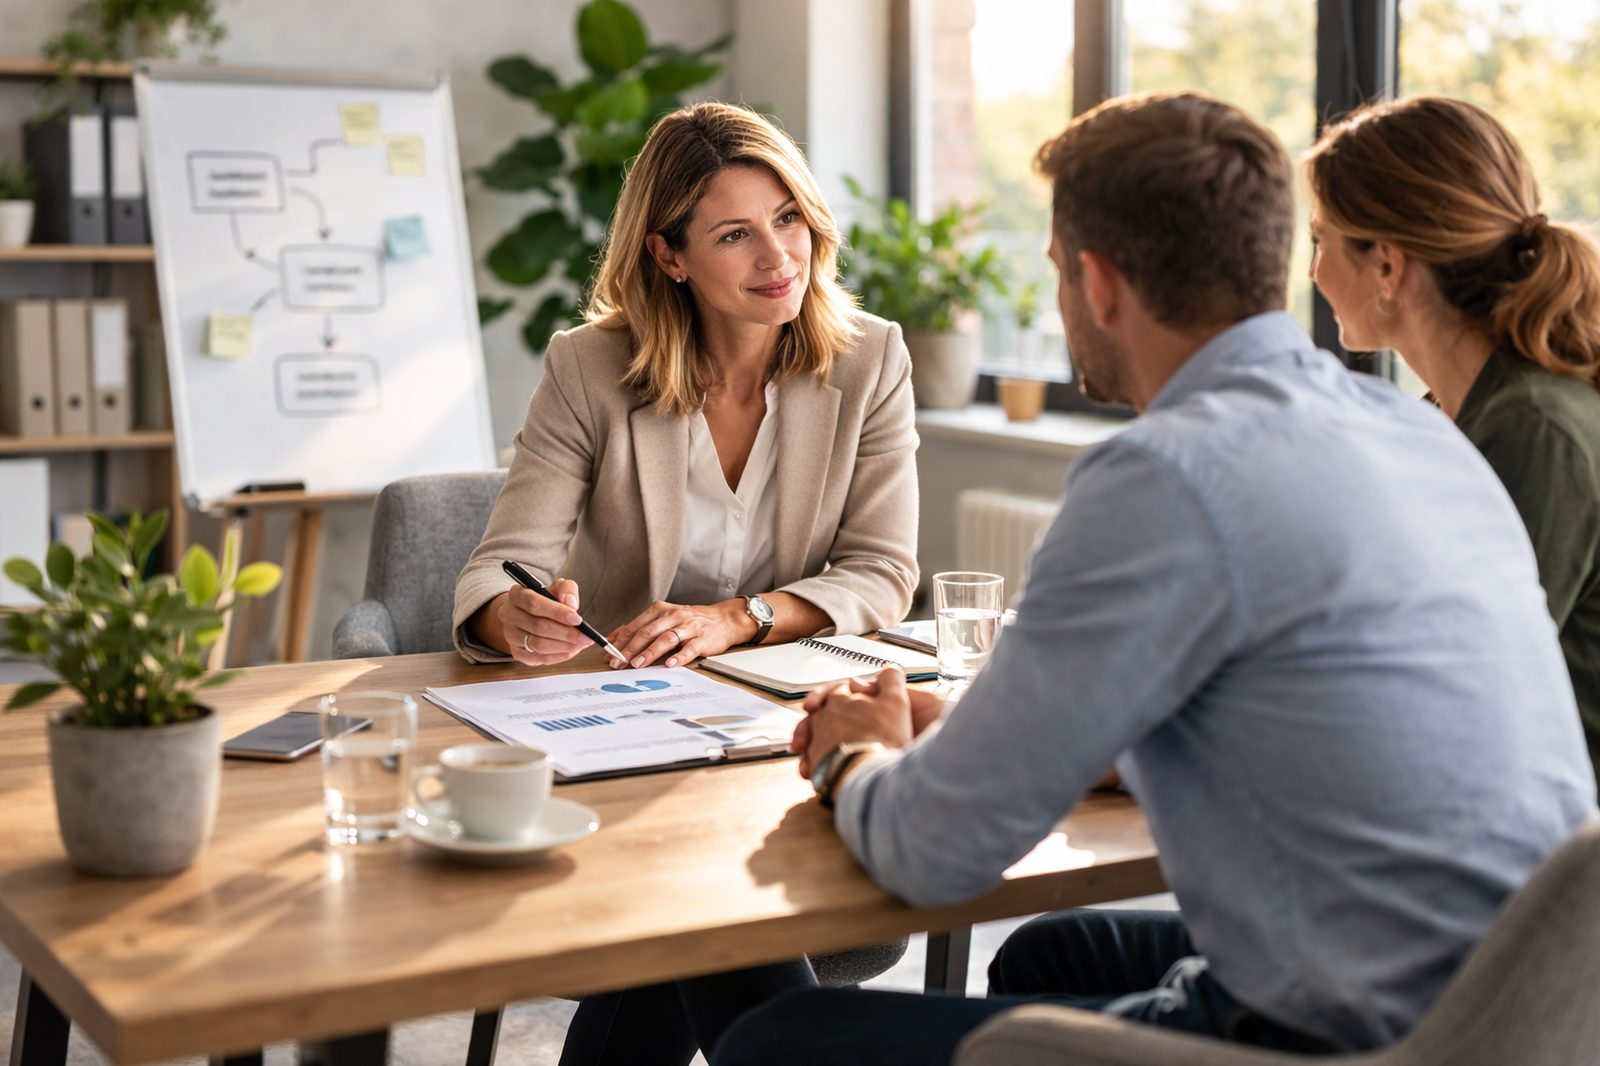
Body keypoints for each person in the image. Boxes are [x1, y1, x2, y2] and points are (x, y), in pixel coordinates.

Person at [712, 91, 1598, 1066]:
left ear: (1096, 283)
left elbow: (933, 854)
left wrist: (857, 755)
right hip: (1523, 1003)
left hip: (1352, 1041)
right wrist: (979, 733)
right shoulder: (1415, 434)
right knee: (1059, 952)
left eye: (1053, 271)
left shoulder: (1168, 472)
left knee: (780, 1036)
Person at [450, 102, 920, 1064]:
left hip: (786, 729)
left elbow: (884, 569)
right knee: (707, 907)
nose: (778, 256)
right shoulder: (590, 368)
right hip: (633, 738)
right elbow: (502, 564)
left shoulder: (871, 360)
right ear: (669, 256)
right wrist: (515, 618)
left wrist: (738, 619)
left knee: (697, 915)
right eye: (735, 234)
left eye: (788, 218)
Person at [1305, 96, 1600, 783]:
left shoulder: (1533, 428)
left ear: (1387, 265)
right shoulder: (1463, 412)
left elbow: (1444, 692)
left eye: (1320, 241)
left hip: (1545, 861)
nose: (1314, 272)